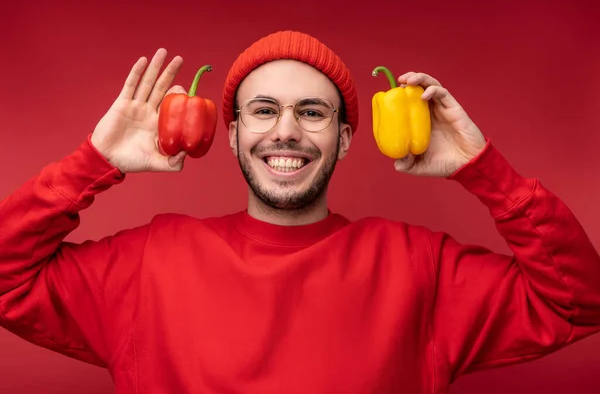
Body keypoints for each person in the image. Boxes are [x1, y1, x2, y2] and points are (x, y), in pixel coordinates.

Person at [0, 30, 599, 394]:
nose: (285, 133)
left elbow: (578, 303)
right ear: (231, 135)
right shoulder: (150, 261)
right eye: (263, 111)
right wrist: (94, 160)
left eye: (312, 113)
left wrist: (484, 169)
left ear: (342, 139)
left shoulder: (418, 266)